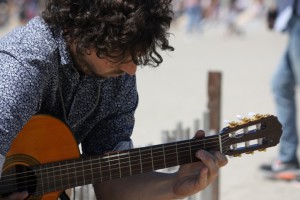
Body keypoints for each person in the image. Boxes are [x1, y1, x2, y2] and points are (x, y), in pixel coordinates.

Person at [0, 0, 228, 199]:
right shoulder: (24, 64)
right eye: (120, 53)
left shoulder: (117, 76)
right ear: (82, 29)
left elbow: (111, 186)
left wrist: (173, 185)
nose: (131, 69)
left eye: (135, 54)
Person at [260, 0, 300, 181]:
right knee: (281, 83)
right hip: (293, 16)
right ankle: (287, 158)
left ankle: (287, 158)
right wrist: (276, 6)